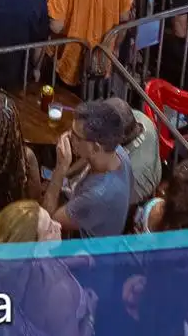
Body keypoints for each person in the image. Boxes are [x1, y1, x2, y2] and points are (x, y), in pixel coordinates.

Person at [40, 97, 133, 239]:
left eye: (76, 135)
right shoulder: (115, 151)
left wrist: (60, 169)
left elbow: (47, 222)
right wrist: (66, 174)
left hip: (84, 245)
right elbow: (87, 158)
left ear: (95, 147)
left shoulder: (97, 196)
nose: (68, 136)